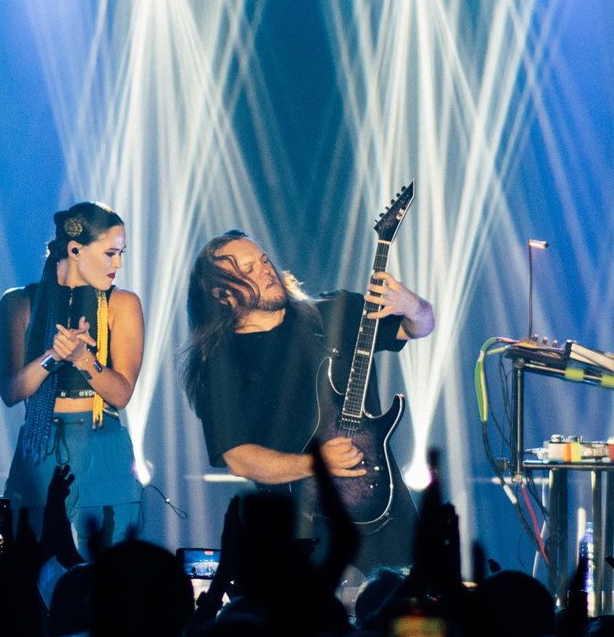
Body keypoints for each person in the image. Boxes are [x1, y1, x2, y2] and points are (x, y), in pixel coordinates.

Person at [180, 228, 434, 570]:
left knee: (414, 619)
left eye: (264, 259)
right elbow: (239, 458)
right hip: (305, 532)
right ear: (222, 295)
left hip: (388, 513)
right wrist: (315, 463)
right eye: (248, 269)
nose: (265, 269)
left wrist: (412, 305)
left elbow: (418, 326)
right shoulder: (223, 362)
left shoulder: (333, 313)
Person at [0, 202, 147, 563]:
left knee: (107, 576)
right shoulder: (18, 302)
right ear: (75, 250)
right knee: (25, 568)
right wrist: (52, 357)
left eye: (121, 254)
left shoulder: (123, 304)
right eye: (110, 253)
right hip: (38, 445)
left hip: (101, 443)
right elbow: (11, 391)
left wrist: (83, 359)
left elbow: (122, 393)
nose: (118, 265)